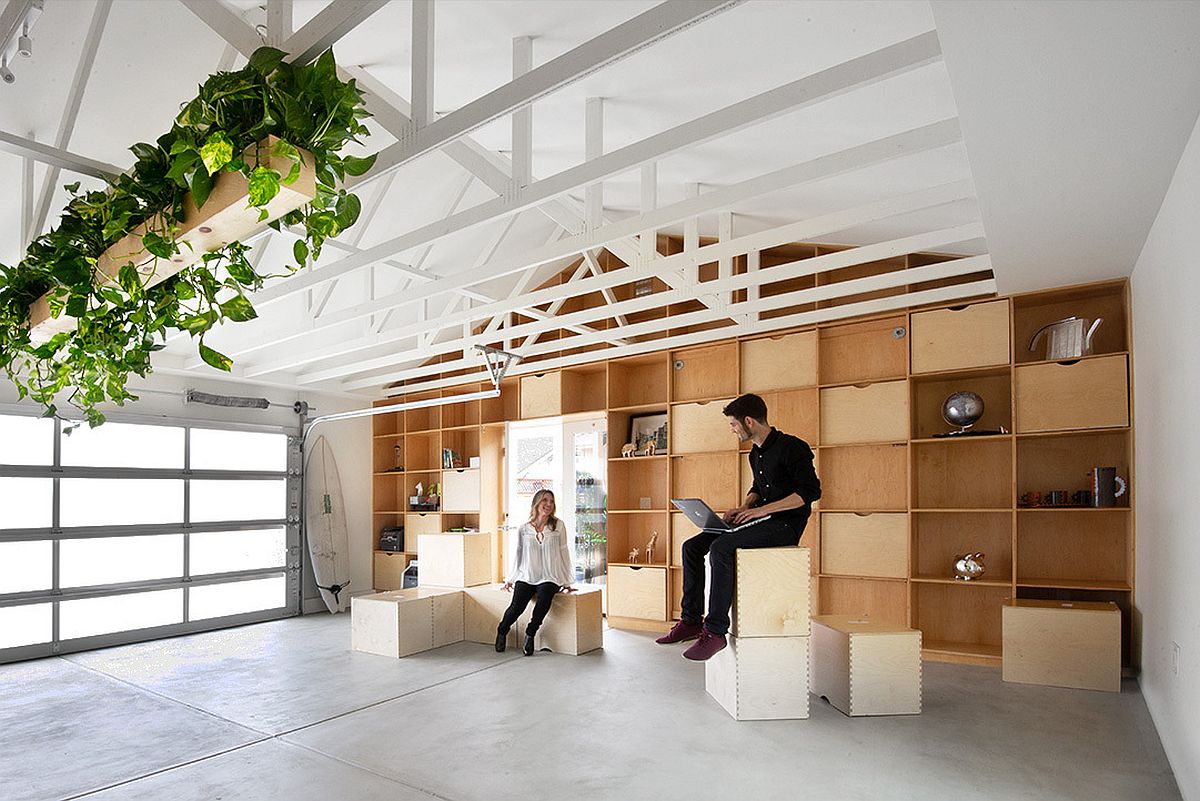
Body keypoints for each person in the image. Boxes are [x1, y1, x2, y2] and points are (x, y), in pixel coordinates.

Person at [656, 393, 820, 661]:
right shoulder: (755, 454)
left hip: (786, 524)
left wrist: (761, 511)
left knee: (721, 547)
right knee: (692, 547)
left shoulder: (793, 447)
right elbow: (758, 488)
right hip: (760, 517)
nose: (732, 429)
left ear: (748, 421)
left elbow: (809, 492)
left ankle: (716, 631)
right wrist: (745, 508)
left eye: (733, 424)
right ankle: (690, 620)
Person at [497, 489, 575, 656]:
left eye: (551, 501)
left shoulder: (558, 526)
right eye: (545, 500)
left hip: (549, 576)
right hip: (527, 575)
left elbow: (564, 553)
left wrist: (567, 581)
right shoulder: (524, 529)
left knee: (545, 595)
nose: (548, 504)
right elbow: (519, 555)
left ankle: (530, 634)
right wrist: (511, 578)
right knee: (516, 607)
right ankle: (502, 630)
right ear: (537, 503)